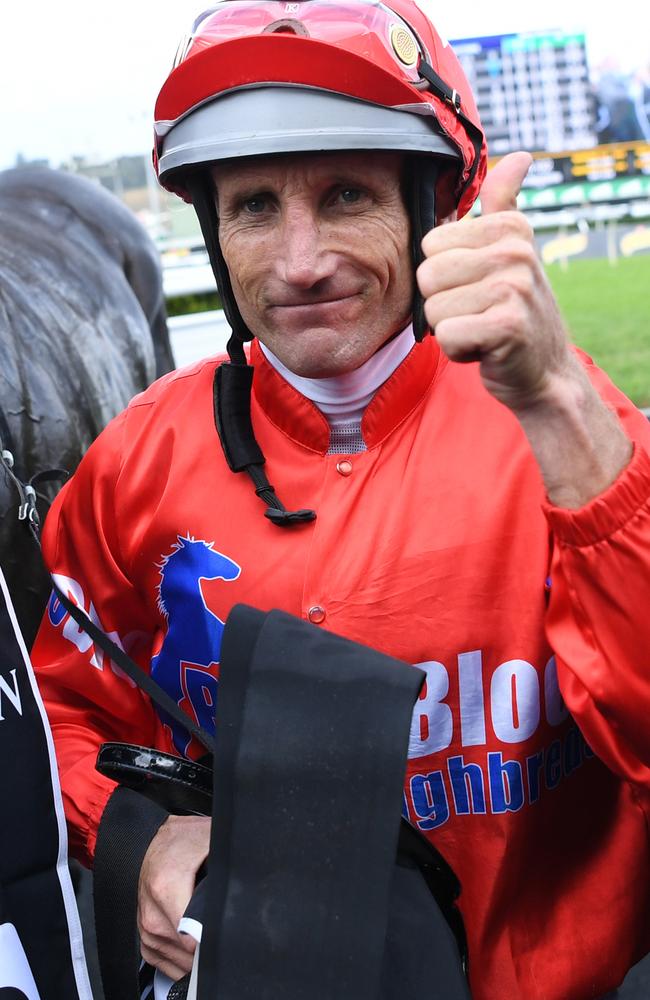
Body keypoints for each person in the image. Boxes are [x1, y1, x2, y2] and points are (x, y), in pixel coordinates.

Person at [31, 2, 650, 998]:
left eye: (347, 194)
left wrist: (558, 408)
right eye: (254, 209)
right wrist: (136, 834)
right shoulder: (134, 462)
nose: (300, 262)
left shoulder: (567, 421)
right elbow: (60, 706)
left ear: (429, 203)